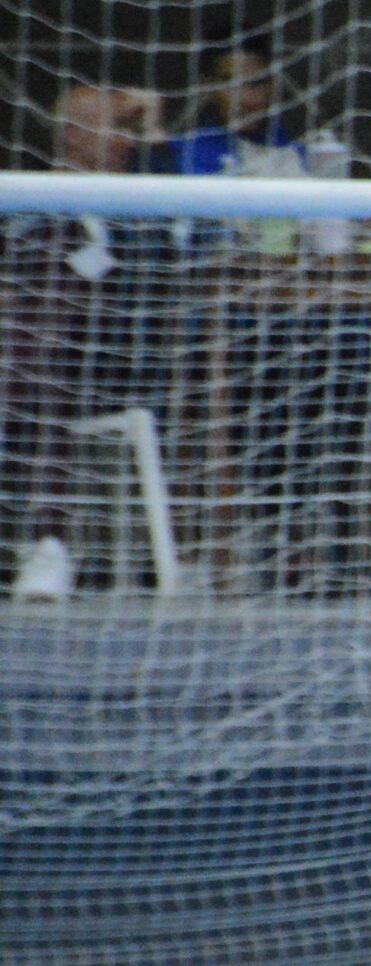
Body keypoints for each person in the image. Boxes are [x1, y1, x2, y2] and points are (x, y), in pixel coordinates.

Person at [5, 83, 168, 599]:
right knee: (32, 339)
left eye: (129, 128)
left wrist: (157, 138)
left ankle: (50, 545)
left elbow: (169, 267)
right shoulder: (27, 200)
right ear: (73, 135)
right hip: (38, 356)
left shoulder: (146, 198)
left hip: (111, 353)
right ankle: (47, 548)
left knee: (32, 343)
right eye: (113, 127)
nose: (125, 140)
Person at [160, 47, 300, 179]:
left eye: (257, 83)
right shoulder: (181, 153)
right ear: (208, 86)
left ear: (273, 85)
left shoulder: (299, 151)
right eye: (231, 85)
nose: (246, 99)